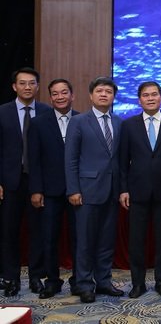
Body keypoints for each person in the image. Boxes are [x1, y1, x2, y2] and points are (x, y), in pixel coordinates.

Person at [119, 81, 161, 298]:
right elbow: (122, 161)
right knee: (137, 240)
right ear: (139, 100)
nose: (150, 98)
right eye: (146, 95)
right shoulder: (128, 125)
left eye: (154, 94)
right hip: (137, 191)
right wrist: (123, 189)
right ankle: (138, 284)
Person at [64, 76, 124, 303]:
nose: (104, 94)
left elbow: (119, 159)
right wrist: (73, 189)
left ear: (113, 96)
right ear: (91, 95)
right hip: (86, 191)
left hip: (112, 190)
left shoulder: (119, 122)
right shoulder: (79, 121)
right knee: (85, 241)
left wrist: (122, 189)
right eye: (99, 91)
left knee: (107, 240)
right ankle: (84, 284)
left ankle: (104, 281)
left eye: (108, 91)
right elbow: (70, 159)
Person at [0, 67, 51, 296]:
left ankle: (36, 277)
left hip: (38, 181)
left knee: (37, 231)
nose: (27, 87)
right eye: (22, 83)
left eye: (32, 83)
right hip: (10, 182)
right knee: (8, 231)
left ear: (37, 86)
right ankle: (10, 277)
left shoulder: (46, 112)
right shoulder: (2, 112)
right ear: (14, 86)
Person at [27, 78, 78, 298]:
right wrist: (36, 190)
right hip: (49, 191)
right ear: (50, 98)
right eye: (55, 93)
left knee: (79, 238)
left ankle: (79, 280)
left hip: (77, 190)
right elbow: (34, 160)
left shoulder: (82, 120)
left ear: (72, 95)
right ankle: (52, 281)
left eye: (64, 92)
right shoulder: (38, 123)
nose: (60, 97)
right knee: (48, 238)